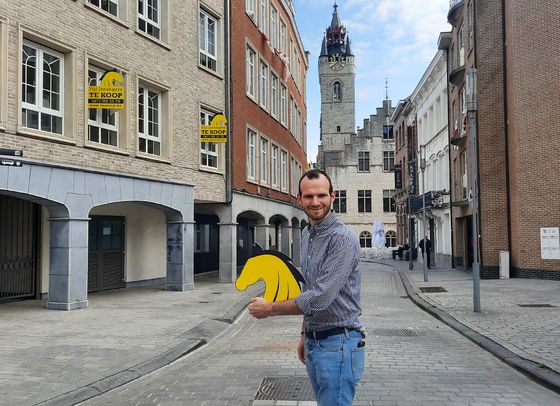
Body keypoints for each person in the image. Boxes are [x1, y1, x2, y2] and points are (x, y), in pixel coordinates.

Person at [248, 169, 365, 405]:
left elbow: (320, 298)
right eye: (308, 196)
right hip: (317, 341)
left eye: (321, 195)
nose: (315, 202)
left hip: (338, 344)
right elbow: (309, 288)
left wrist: (270, 309)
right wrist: (305, 334)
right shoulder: (308, 233)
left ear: (333, 196)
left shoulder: (341, 238)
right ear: (299, 198)